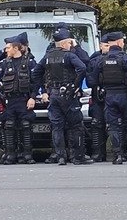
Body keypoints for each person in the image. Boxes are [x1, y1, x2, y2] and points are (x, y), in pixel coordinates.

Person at [88, 32, 127, 164]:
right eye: (122, 42)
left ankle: (117, 156)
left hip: (109, 97)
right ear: (119, 42)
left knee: (113, 126)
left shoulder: (101, 60)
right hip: (124, 95)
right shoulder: (126, 59)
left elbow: (92, 81)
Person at [36, 28, 88, 165]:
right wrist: (75, 85)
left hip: (53, 94)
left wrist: (44, 90)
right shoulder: (69, 55)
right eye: (70, 43)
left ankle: (60, 157)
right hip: (68, 96)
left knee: (57, 127)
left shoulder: (47, 57)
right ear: (65, 44)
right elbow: (82, 68)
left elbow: (36, 73)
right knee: (76, 126)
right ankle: (78, 157)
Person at [0, 32, 37, 165]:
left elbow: (36, 82)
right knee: (9, 126)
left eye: (8, 48)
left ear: (16, 48)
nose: (6, 50)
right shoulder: (5, 64)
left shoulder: (30, 63)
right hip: (9, 101)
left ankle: (27, 154)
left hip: (24, 100)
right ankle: (10, 154)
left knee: (26, 126)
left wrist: (33, 98)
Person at [84, 35, 112, 163]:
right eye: (106, 45)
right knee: (96, 124)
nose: (108, 48)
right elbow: (90, 80)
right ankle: (98, 153)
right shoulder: (94, 59)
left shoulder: (118, 58)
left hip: (113, 95)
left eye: (110, 45)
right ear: (100, 46)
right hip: (97, 96)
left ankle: (121, 152)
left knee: (116, 124)